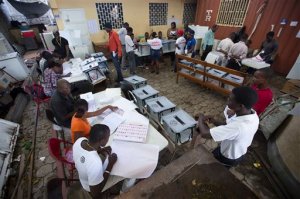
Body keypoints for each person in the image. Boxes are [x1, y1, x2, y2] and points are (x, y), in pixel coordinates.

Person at [192, 86, 259, 166]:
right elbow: (229, 126)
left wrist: (200, 118)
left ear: (241, 106)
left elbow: (205, 134)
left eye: (230, 99)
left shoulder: (239, 126)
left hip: (229, 156)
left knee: (215, 167)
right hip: (235, 149)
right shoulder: (252, 114)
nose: (227, 100)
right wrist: (214, 121)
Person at [72, 124, 118, 198]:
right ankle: (116, 190)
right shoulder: (95, 162)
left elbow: (86, 152)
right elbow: (95, 194)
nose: (108, 139)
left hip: (83, 177)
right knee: (117, 176)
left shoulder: (80, 141)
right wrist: (110, 165)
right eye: (108, 137)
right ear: (102, 140)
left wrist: (100, 150)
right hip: (89, 187)